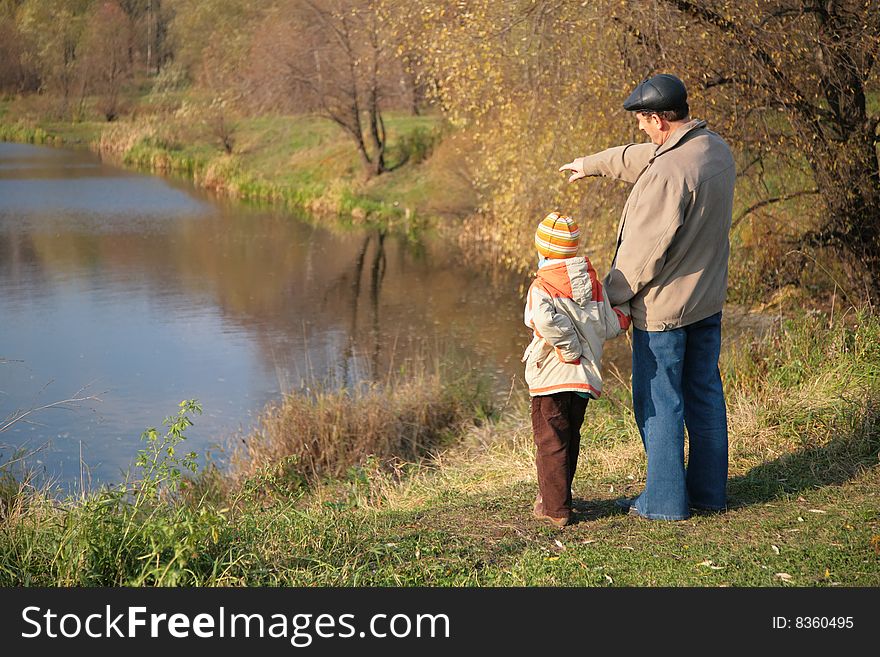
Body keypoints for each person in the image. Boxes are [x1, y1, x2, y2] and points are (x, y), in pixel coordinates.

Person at [559, 73, 736, 521]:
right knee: (704, 394)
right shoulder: (713, 148)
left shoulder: (667, 177)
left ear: (658, 119)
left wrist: (608, 302)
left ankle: (664, 502)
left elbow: (642, 255)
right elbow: (649, 158)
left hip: (664, 314)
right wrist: (593, 162)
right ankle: (709, 493)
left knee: (659, 404)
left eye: (641, 120)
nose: (639, 127)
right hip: (707, 301)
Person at [524, 211, 631, 527]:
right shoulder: (593, 284)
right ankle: (557, 496)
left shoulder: (541, 286)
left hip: (553, 376)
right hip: (583, 378)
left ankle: (555, 508)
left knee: (550, 440)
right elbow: (610, 325)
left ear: (543, 250)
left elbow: (544, 321)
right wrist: (625, 312)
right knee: (569, 436)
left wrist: (568, 347)